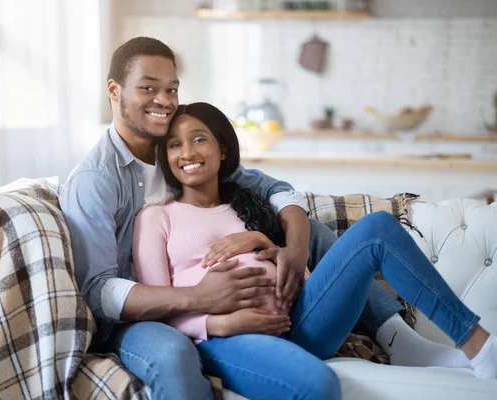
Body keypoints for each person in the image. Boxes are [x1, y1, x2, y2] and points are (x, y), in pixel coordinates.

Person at [61, 36, 471, 399]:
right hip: (146, 316)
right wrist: (203, 305)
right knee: (172, 353)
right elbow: (98, 289)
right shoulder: (98, 181)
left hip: (277, 310)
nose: (164, 101)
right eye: (148, 88)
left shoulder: (184, 152)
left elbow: (279, 192)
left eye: (171, 89)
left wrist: (286, 250)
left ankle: (400, 337)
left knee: (311, 230)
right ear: (114, 91)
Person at [132, 101, 497, 399]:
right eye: (175, 145)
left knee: (378, 229)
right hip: (230, 338)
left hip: (300, 321)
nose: (187, 153)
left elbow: (301, 274)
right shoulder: (157, 218)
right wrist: (218, 324)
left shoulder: (250, 203)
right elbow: (158, 305)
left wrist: (266, 244)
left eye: (199, 140)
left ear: (223, 149)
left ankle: (478, 346)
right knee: (319, 386)